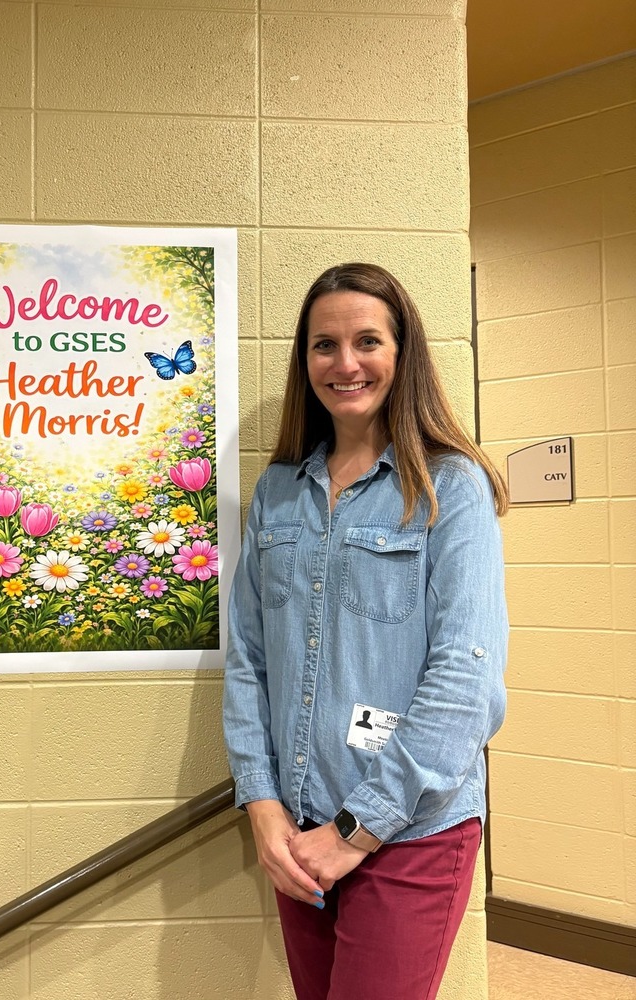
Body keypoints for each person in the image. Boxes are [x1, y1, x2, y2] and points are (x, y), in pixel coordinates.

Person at [223, 262, 509, 1000]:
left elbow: (465, 679)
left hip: (410, 832)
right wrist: (262, 807)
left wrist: (357, 831)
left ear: (401, 353)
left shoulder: (451, 487)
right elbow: (250, 660)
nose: (345, 363)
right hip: (299, 828)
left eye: (366, 341)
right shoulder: (278, 491)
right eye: (324, 345)